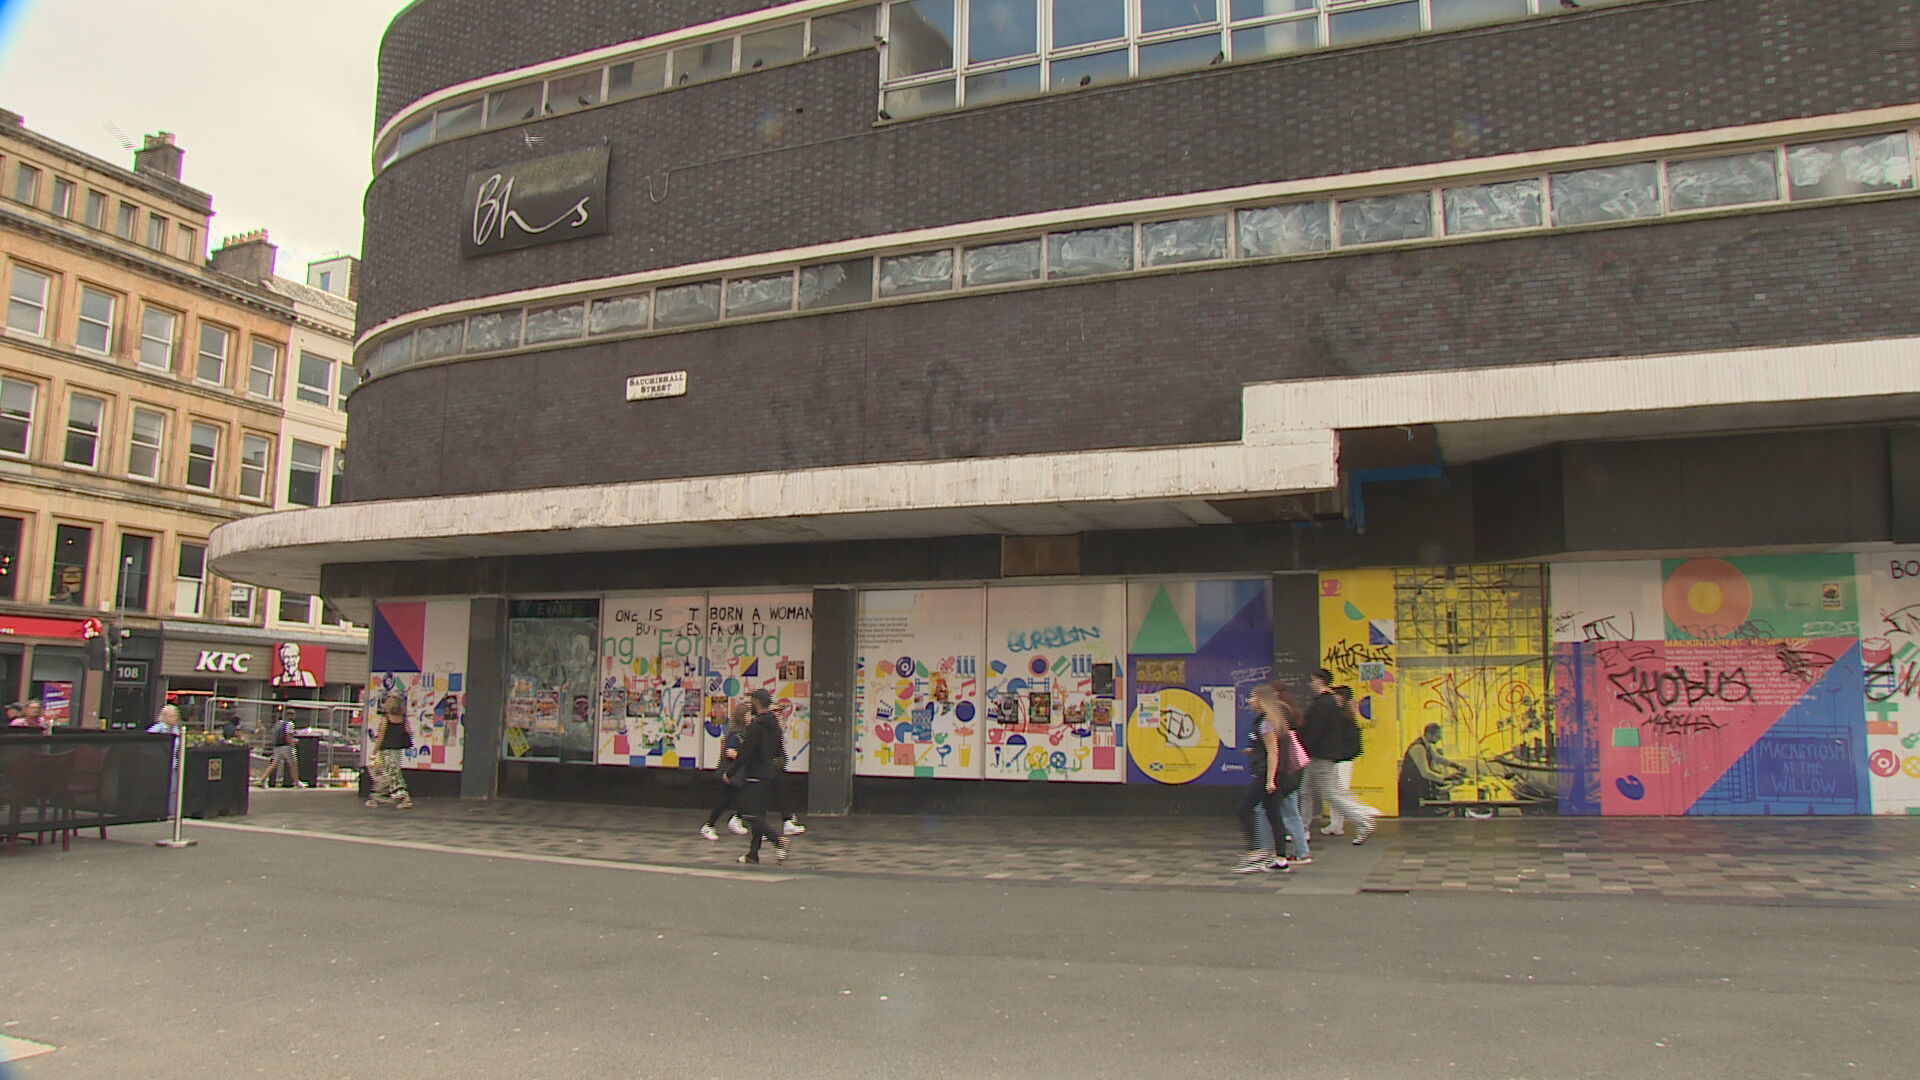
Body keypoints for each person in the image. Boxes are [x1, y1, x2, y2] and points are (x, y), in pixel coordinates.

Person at [1233, 681, 1308, 873]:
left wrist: (1269, 780)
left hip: (1269, 773)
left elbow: (1273, 752)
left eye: (1253, 697)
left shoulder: (1267, 722)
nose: (1249, 701)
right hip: (1279, 773)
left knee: (1244, 808)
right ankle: (1280, 859)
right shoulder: (1274, 718)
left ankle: (1257, 850)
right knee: (1274, 815)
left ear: (1262, 700)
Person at [1299, 668, 1379, 844]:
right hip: (1320, 755)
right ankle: (1301, 829)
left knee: (1331, 793)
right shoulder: (1328, 703)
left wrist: (1304, 749)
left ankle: (1363, 821)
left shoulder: (1322, 704)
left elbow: (1315, 731)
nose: (1310, 683)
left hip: (1319, 756)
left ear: (1319, 680)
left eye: (1312, 680)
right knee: (1306, 790)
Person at [733, 690, 790, 865]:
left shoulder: (756, 726)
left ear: (757, 703)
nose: (750, 705)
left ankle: (777, 839)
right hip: (768, 774)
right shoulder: (774, 725)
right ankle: (753, 853)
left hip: (754, 774)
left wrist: (731, 772)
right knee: (759, 815)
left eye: (752, 701)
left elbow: (745, 752)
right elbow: (780, 751)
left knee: (748, 814)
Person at [700, 701, 754, 840]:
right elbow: (730, 752)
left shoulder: (746, 732)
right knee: (726, 799)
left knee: (741, 797)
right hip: (731, 772)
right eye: (748, 714)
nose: (751, 717)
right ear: (742, 716)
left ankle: (736, 819)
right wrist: (745, 757)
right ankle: (709, 825)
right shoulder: (736, 734)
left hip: (738, 772)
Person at [1399, 722, 1468, 816]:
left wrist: (1456, 766)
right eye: (1437, 735)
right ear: (1428, 735)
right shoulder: (1418, 747)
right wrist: (1446, 778)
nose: (1440, 738)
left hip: (1418, 788)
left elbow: (1437, 757)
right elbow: (1425, 773)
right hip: (1411, 790)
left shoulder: (1426, 745)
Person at [1323, 685, 1364, 837]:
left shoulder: (1341, 716)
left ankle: (1356, 820)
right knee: (1338, 792)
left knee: (1338, 792)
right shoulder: (1345, 715)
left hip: (1340, 759)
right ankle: (1336, 824)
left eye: (1336, 695)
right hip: (1342, 758)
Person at [365, 693, 413, 810]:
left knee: (388, 775)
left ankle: (403, 798)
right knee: (392, 774)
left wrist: (374, 751)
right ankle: (375, 797)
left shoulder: (385, 719)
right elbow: (409, 732)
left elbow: (380, 737)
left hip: (385, 751)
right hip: (396, 751)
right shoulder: (403, 719)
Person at [260, 711, 300, 788]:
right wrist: (293, 743)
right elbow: (289, 735)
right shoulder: (290, 724)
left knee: (274, 764)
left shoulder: (279, 723)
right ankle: (296, 783)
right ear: (291, 716)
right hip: (287, 747)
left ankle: (262, 780)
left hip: (277, 746)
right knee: (293, 764)